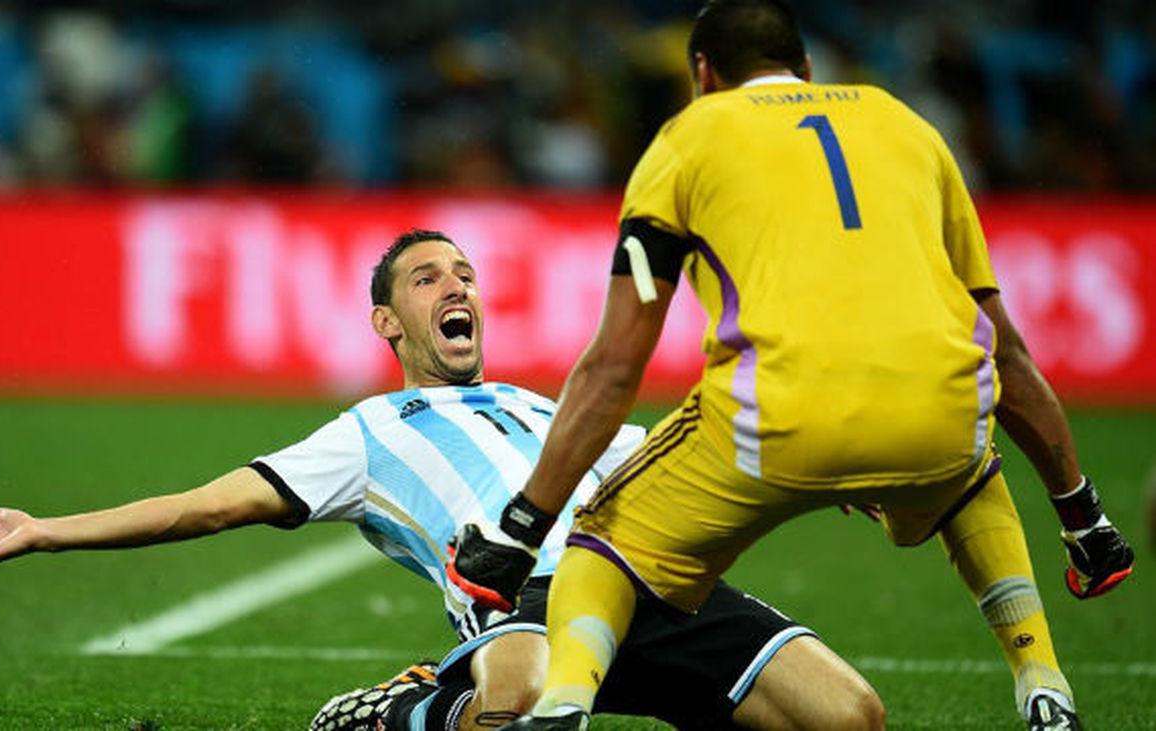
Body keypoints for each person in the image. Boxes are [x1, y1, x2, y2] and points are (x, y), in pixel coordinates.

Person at [446, 3, 1136, 730]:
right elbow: (1005, 350)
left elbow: (615, 365)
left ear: (703, 74)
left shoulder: (690, 135)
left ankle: (563, 706)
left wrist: (521, 529)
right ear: (806, 70)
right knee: (972, 477)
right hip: (937, 411)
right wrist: (1082, 514)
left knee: (601, 539)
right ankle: (1043, 681)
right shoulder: (907, 126)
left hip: (772, 419)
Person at [0, 229, 884, 731]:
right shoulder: (367, 433)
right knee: (528, 689)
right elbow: (202, 505)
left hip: (662, 585)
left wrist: (818, 472)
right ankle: (417, 710)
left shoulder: (552, 409)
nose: (456, 287)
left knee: (851, 715)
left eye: (463, 273)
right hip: (530, 595)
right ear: (388, 325)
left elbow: (693, 456)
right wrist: (47, 528)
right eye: (427, 279)